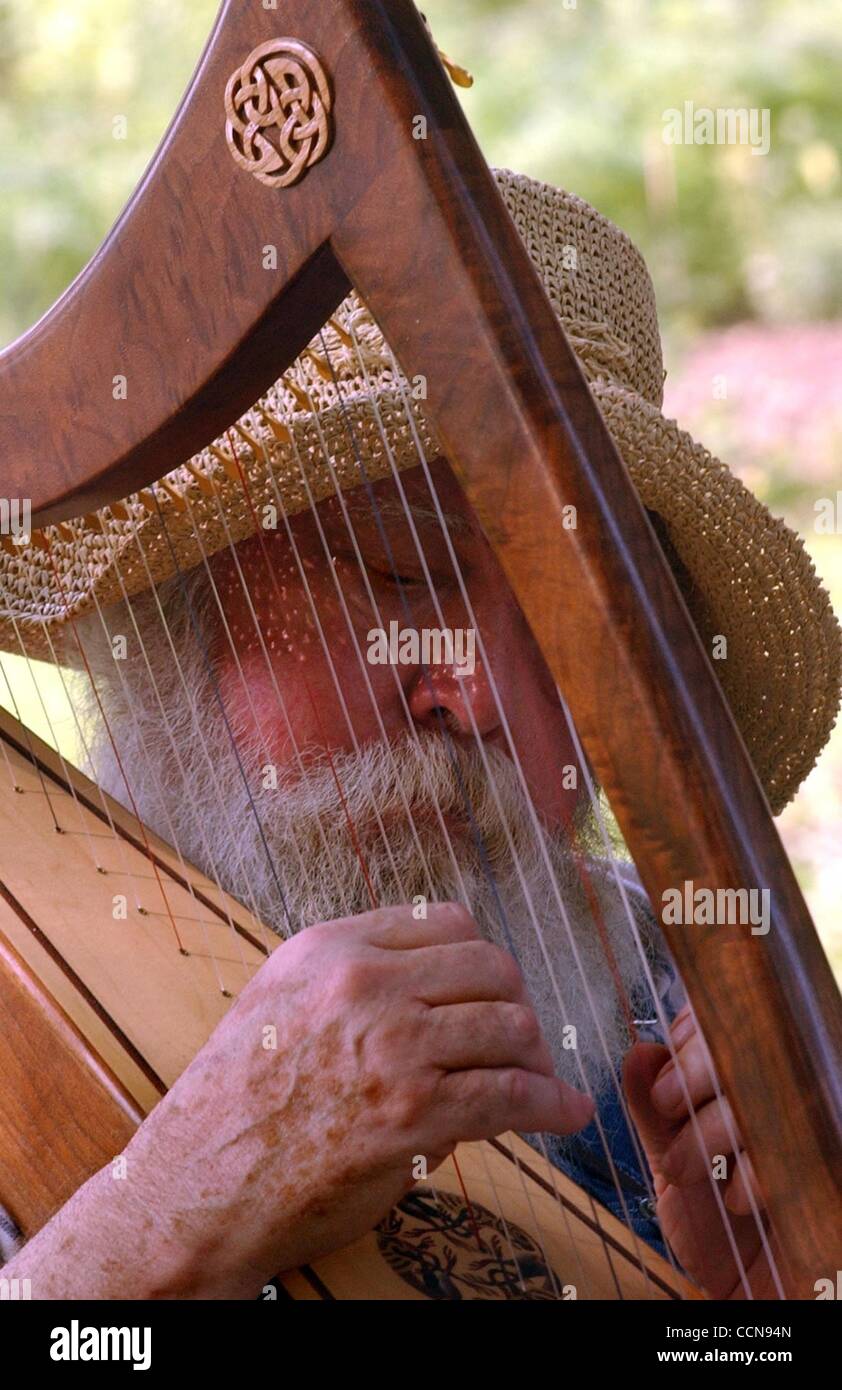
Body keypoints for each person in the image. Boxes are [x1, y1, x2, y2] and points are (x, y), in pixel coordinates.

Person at [0, 172, 837, 1300]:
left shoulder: (690, 987)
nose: (479, 692)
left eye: (564, 635)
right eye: (399, 576)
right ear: (168, 611)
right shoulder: (31, 973)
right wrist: (155, 1221)